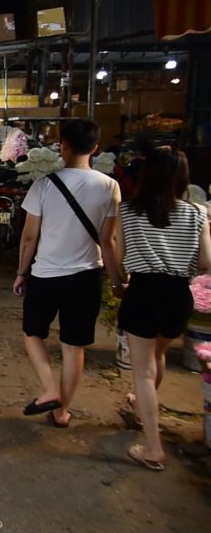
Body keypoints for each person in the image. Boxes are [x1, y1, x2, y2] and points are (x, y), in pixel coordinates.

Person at [13, 119, 122, 428]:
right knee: (74, 348)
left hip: (46, 275)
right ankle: (61, 412)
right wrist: (116, 282)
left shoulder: (44, 185)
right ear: (95, 148)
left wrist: (22, 272)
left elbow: (30, 236)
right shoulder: (109, 186)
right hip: (87, 277)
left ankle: (49, 389)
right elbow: (109, 240)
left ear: (64, 145)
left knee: (33, 334)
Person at [113, 147, 211, 470]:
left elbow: (123, 256)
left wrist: (124, 279)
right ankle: (143, 407)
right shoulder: (197, 213)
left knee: (142, 370)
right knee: (158, 356)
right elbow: (205, 262)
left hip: (143, 291)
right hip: (177, 297)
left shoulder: (129, 210)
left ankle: (153, 448)